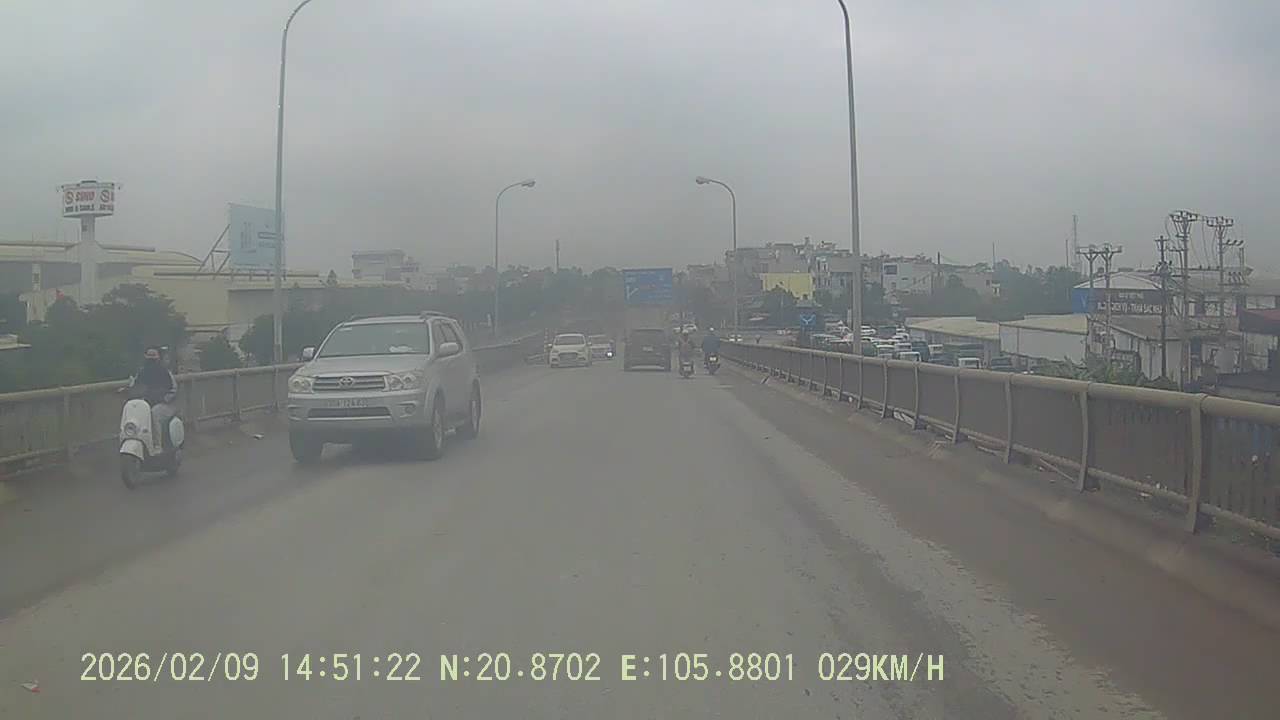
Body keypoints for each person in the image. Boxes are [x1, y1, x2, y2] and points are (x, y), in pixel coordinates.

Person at [128, 346, 178, 449]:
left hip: (165, 405)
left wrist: (164, 399)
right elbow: (135, 386)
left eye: (153, 355)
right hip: (145, 404)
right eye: (149, 355)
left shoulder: (165, 372)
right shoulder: (141, 372)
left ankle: (157, 445)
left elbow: (173, 389)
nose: (151, 358)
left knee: (154, 413)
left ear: (158, 357)